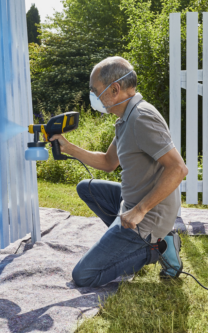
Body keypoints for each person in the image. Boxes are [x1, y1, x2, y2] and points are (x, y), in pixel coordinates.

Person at [49, 56, 189, 288]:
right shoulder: (126, 117)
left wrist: (140, 210)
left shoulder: (142, 118)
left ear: (115, 89)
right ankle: (135, 238)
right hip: (130, 202)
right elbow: (108, 161)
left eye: (96, 91)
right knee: (87, 188)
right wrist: (69, 148)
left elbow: (178, 169)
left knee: (83, 276)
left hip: (148, 216)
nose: (93, 97)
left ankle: (157, 246)